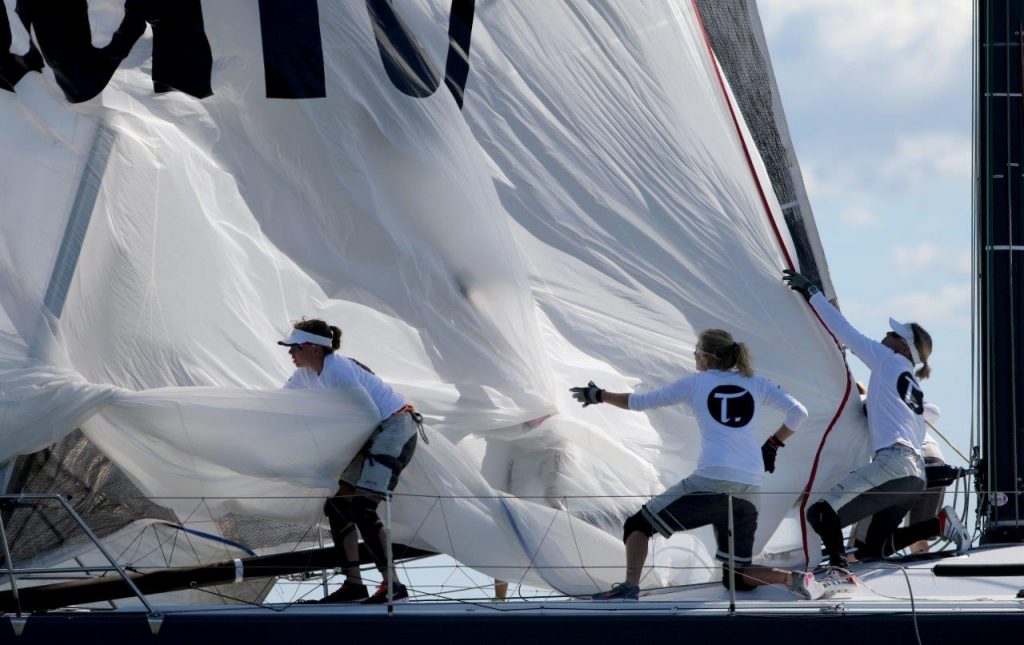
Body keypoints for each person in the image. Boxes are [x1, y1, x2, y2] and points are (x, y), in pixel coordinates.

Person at [572, 329, 822, 600]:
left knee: (638, 524)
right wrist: (773, 444)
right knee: (736, 578)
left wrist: (598, 395)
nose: (694, 358)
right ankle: (792, 578)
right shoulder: (757, 383)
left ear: (706, 357)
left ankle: (629, 587)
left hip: (711, 482)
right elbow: (799, 413)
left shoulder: (696, 383)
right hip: (749, 487)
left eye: (695, 353)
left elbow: (639, 402)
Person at [782, 269, 969, 577]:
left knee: (819, 512)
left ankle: (838, 570)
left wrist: (812, 292)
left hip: (894, 464)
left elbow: (845, 331)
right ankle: (938, 524)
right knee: (873, 550)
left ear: (901, 346)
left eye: (892, 334)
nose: (886, 335)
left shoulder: (887, 359)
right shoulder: (913, 384)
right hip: (915, 475)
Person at [279, 318, 423, 604]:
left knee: (363, 507)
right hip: (370, 434)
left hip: (394, 429)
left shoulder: (339, 371)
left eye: (295, 346)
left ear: (314, 348)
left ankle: (394, 586)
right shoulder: (306, 374)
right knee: (337, 508)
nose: (290, 352)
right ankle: (354, 585)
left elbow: (367, 417)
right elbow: (279, 402)